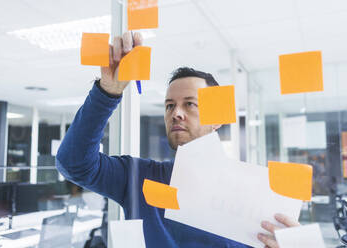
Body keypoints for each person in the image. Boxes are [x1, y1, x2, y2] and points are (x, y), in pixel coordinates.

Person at [56, 32, 300, 248]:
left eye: (190, 104)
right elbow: (73, 163)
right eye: (169, 106)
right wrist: (107, 92)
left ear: (217, 120)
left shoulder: (254, 196)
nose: (176, 113)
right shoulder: (140, 179)